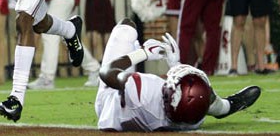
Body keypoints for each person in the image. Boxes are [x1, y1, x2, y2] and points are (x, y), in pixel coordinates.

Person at [96, 18, 261, 131]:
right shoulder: (190, 120)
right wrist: (175, 64)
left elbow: (106, 72)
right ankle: (227, 106)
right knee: (200, 96)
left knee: (127, 27)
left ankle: (224, 106)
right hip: (146, 114)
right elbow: (191, 98)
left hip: (110, 104)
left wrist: (143, 53)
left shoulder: (144, 90)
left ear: (168, 92)